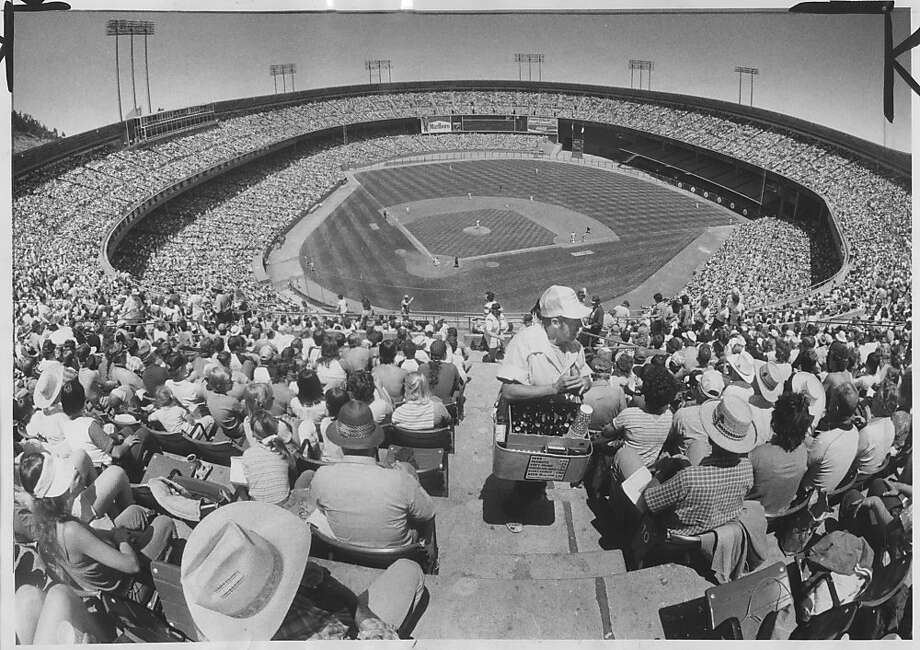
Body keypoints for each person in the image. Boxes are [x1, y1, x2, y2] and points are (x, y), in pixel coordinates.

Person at [180, 501, 427, 641]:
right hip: (344, 630)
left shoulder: (214, 616)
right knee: (408, 568)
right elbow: (379, 638)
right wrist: (352, 602)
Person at [496, 285, 592, 532]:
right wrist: (554, 388)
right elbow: (509, 391)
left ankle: (531, 490)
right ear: (557, 321)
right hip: (524, 416)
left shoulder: (575, 347)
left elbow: (587, 377)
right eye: (575, 321)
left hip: (555, 417)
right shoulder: (525, 340)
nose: (581, 325)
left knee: (544, 466)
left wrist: (584, 382)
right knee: (524, 469)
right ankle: (514, 508)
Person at [18, 451, 175, 593]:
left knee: (134, 512)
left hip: (111, 563)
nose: (75, 474)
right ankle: (170, 576)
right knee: (164, 522)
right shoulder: (71, 530)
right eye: (69, 476)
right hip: (129, 586)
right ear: (59, 491)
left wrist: (114, 534)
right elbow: (131, 566)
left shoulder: (51, 521)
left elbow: (90, 537)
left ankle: (156, 550)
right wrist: (122, 541)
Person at [310, 401, 436, 548]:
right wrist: (410, 479)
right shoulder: (400, 480)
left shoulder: (322, 476)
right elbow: (429, 512)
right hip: (397, 552)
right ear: (374, 442)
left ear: (340, 443)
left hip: (345, 549)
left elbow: (318, 507)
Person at [746, 392, 810, 516]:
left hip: (754, 515)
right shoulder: (803, 450)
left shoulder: (758, 455)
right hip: (782, 512)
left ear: (775, 420)